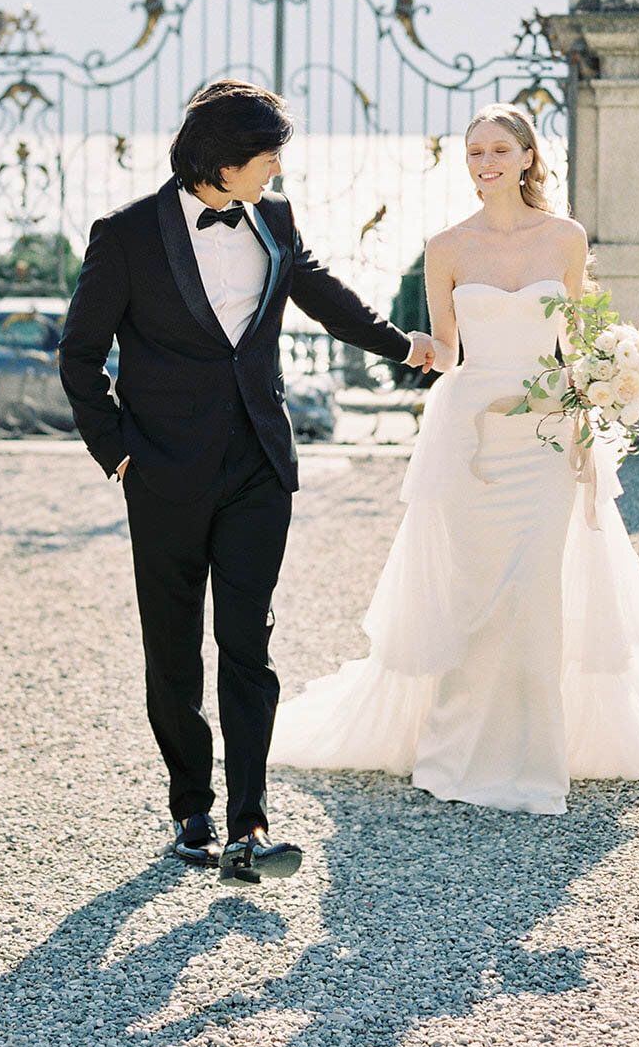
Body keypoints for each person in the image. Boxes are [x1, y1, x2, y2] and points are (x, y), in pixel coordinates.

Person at [269, 103, 639, 813]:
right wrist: (410, 346)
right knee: (474, 595)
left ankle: (537, 760)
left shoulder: (565, 239)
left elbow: (584, 335)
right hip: (472, 435)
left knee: (534, 590)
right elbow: (449, 353)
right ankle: (454, 755)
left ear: (529, 157)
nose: (485, 163)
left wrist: (609, 375)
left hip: (545, 439)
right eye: (474, 152)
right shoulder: (446, 247)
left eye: (499, 150)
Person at [58, 80, 436, 882]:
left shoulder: (277, 218)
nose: (276, 168)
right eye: (267, 156)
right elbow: (80, 356)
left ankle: (249, 823)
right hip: (159, 470)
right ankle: (190, 809)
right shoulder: (125, 235)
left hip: (259, 466)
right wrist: (118, 451)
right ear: (222, 160)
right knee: (173, 650)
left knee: (248, 643)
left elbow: (326, 297)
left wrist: (403, 347)